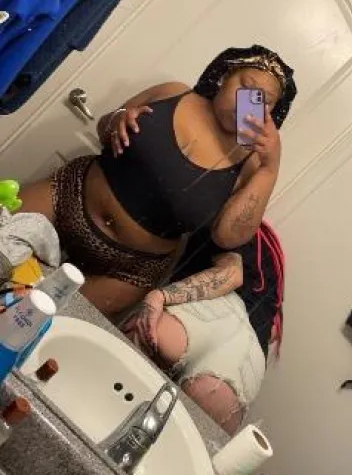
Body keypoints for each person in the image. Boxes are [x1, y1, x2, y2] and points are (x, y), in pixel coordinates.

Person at [20, 45, 296, 317]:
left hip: (127, 270)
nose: (249, 101)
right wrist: (118, 120)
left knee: (45, 325)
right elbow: (105, 129)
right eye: (246, 86)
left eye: (264, 100)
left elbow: (227, 236)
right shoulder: (171, 92)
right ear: (226, 76)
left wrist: (270, 168)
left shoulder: (252, 164)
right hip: (67, 196)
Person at [124, 220, 285, 434]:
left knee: (116, 394)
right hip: (248, 359)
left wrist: (161, 296)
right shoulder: (274, 265)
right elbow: (272, 333)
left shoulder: (231, 221)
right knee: (181, 442)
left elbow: (231, 274)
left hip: (209, 313)